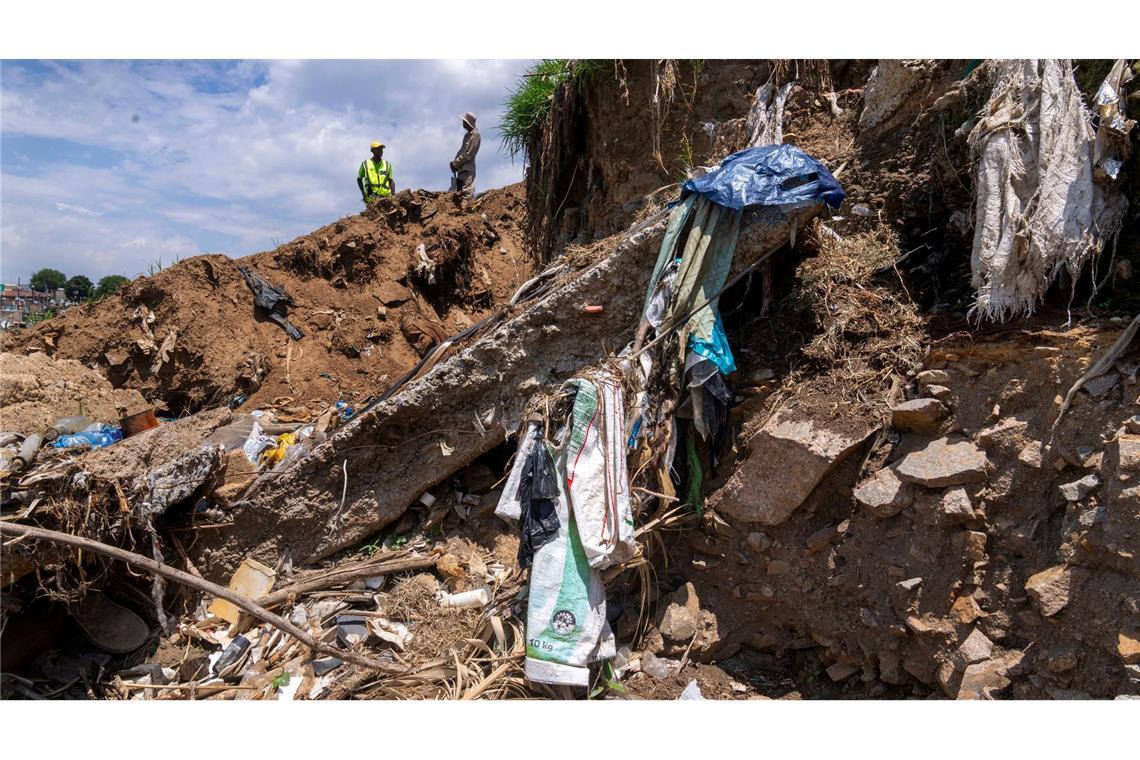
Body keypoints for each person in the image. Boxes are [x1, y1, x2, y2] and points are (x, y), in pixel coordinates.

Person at [450, 112, 481, 196]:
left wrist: (455, 163)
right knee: (460, 195)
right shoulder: (467, 135)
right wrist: (454, 163)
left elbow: (469, 154)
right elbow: (462, 151)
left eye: (464, 121)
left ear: (468, 122)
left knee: (466, 194)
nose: (462, 122)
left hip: (467, 170)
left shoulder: (475, 135)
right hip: (461, 170)